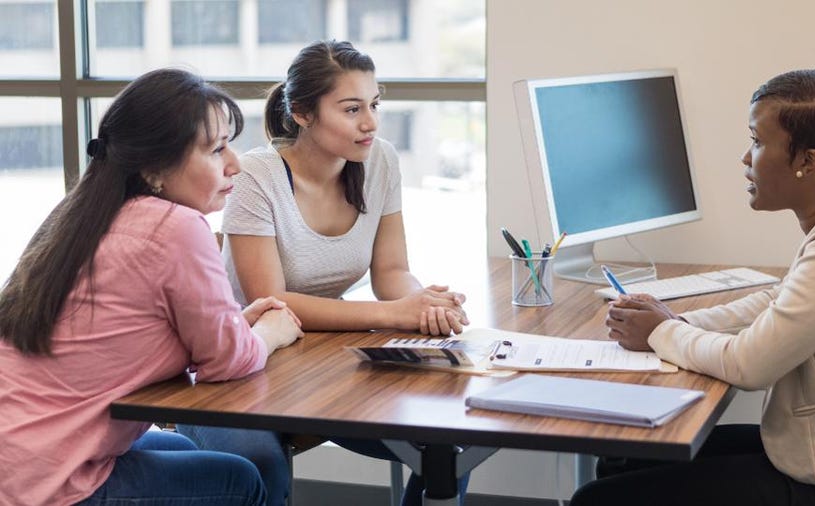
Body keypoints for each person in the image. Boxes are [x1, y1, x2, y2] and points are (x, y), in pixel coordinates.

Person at [571, 69, 815, 506]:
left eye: (758, 142)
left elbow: (751, 366)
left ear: (808, 162)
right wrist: (678, 320)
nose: (747, 159)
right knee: (627, 458)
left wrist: (660, 333)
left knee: (599, 499)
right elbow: (781, 298)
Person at [176, 40, 470, 506]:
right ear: (303, 113)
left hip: (317, 361)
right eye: (351, 109)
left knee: (448, 440)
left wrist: (423, 305)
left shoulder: (380, 160)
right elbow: (275, 303)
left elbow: (392, 271)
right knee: (261, 464)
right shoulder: (257, 176)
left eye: (374, 105)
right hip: (232, 364)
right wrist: (399, 313)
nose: (370, 122)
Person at [0, 68, 303, 506]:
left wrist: (236, 324)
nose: (234, 163)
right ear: (155, 168)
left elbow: (124, 333)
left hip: (22, 450)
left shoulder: (80, 215)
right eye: (217, 149)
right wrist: (269, 332)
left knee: (181, 447)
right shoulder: (176, 226)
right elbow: (229, 361)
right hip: (43, 483)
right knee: (241, 480)